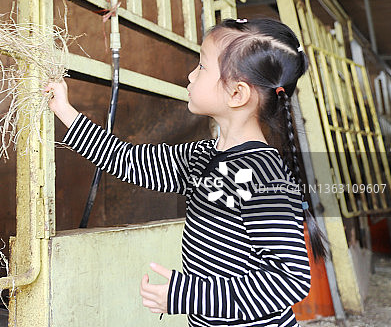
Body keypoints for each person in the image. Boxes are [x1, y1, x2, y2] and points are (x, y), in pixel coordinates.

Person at [44, 17, 328, 326]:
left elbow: (289, 280)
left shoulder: (263, 176)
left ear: (237, 94)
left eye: (202, 66)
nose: (191, 74)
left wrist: (188, 295)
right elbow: (126, 159)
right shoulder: (201, 157)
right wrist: (65, 110)